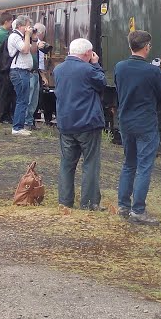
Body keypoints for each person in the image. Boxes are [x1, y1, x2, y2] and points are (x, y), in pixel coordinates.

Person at [114, 30, 161, 224]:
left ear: (130, 46)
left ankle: (123, 205)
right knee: (144, 166)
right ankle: (138, 210)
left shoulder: (119, 67)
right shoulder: (152, 71)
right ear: (146, 47)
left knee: (129, 164)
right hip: (145, 122)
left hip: (126, 121)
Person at [53, 38, 106, 210]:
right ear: (88, 53)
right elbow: (102, 83)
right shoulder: (89, 70)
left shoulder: (58, 69)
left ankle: (65, 201)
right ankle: (89, 203)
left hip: (66, 124)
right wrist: (96, 64)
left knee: (67, 164)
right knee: (90, 163)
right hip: (87, 123)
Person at [8, 15, 36, 136]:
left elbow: (32, 50)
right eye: (28, 25)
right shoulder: (15, 36)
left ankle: (19, 126)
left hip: (24, 71)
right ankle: (17, 127)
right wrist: (28, 36)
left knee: (24, 99)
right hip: (19, 71)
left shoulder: (22, 37)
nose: (29, 28)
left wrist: (33, 39)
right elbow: (24, 50)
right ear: (20, 26)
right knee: (22, 99)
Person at [0, 13, 16, 124]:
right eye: (11, 21)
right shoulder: (3, 34)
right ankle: (4, 116)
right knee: (6, 93)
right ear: (6, 21)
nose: (12, 24)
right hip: (4, 67)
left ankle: (6, 115)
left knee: (7, 93)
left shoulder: (1, 33)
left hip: (3, 66)